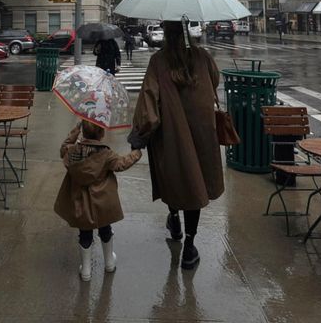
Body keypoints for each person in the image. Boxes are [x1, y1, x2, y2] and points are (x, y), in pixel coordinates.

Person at [128, 20, 224, 270]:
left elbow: (149, 99)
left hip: (171, 134)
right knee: (195, 183)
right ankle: (190, 246)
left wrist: (140, 133)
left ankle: (173, 218)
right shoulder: (203, 56)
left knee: (174, 178)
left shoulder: (159, 61)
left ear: (167, 35)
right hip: (202, 133)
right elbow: (215, 81)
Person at [54, 120, 142, 281]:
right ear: (102, 134)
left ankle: (86, 271)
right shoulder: (105, 154)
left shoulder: (72, 152)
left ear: (83, 132)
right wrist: (136, 152)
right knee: (105, 229)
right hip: (102, 202)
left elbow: (63, 147)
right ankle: (109, 263)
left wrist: (76, 128)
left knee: (85, 234)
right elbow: (122, 164)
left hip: (81, 202)